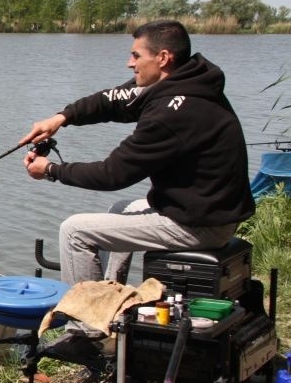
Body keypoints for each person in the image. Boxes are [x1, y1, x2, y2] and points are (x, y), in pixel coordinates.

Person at [20, 20, 255, 362]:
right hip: (205, 208)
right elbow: (114, 100)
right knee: (121, 209)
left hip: (198, 223)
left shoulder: (171, 113)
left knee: (74, 230)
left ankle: (86, 336)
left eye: (135, 56)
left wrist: (52, 170)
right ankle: (111, 307)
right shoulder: (190, 80)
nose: (130, 64)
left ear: (162, 57)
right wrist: (62, 117)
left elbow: (113, 172)